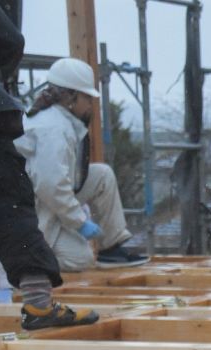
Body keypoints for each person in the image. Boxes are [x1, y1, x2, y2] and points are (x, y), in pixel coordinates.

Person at [0, 8, 98, 329]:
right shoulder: (54, 127)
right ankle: (39, 304)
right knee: (10, 204)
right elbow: (9, 40)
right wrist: (80, 223)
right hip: (42, 212)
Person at [14, 58, 149, 271]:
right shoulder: (54, 129)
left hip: (43, 202)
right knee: (80, 259)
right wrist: (79, 221)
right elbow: (51, 187)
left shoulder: (56, 119)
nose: (90, 104)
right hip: (34, 213)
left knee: (102, 175)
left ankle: (111, 247)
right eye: (87, 97)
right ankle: (20, 259)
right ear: (70, 96)